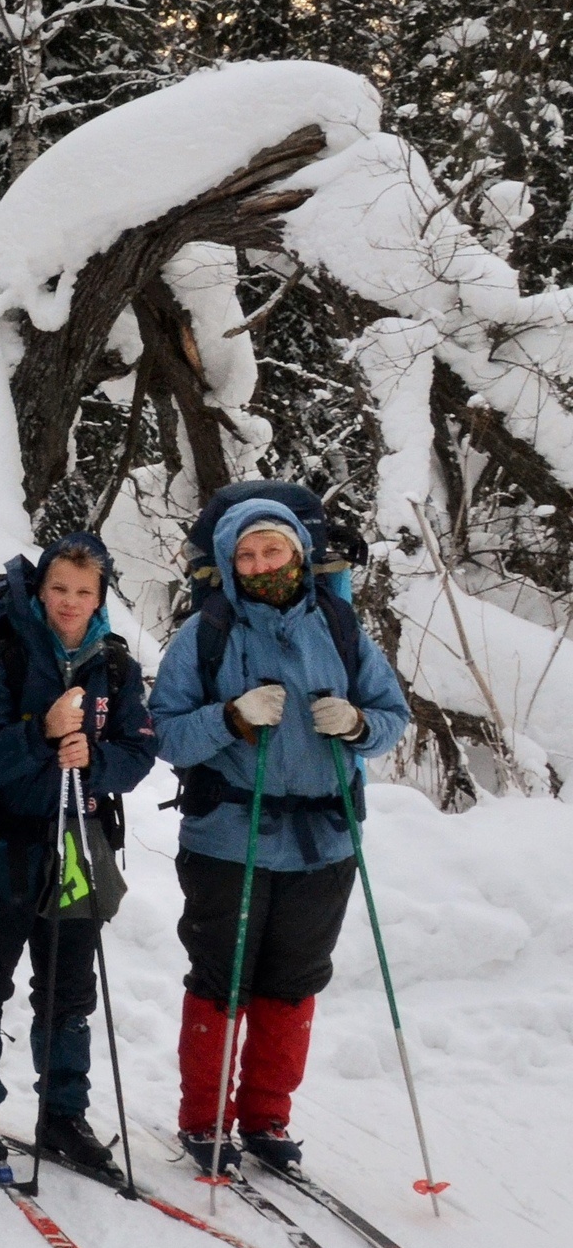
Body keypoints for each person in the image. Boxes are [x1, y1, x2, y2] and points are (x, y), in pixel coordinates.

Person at [149, 497, 408, 1171]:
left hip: (325, 840)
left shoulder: (341, 626)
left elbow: (392, 715)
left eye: (273, 549)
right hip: (228, 839)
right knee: (221, 979)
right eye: (248, 554)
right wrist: (230, 718)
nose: (262, 563)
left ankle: (266, 1118)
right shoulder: (204, 634)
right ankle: (204, 1121)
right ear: (231, 563)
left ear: (297, 551)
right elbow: (166, 733)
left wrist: (357, 724)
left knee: (292, 983)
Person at [0, 533, 157, 1173]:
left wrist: (97, 760)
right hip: (7, 841)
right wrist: (44, 733)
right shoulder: (6, 656)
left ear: (100, 597)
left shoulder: (113, 665)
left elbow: (140, 754)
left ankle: (63, 1114)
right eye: (59, 588)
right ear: (40, 590)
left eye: (84, 592)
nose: (70, 602)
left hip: (78, 845)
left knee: (68, 993)